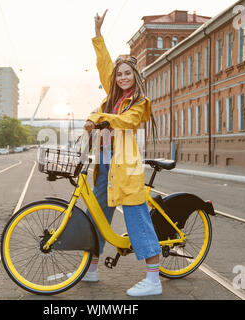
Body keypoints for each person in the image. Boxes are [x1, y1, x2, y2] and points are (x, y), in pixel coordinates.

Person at [83, 9, 162, 297]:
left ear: (135, 76)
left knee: (136, 218)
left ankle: (153, 280)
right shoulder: (112, 96)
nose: (122, 78)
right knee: (98, 215)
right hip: (104, 162)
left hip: (126, 166)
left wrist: (101, 118)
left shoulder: (140, 102)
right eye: (119, 75)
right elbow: (104, 64)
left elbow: (128, 121)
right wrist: (98, 34)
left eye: (127, 73)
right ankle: (90, 269)